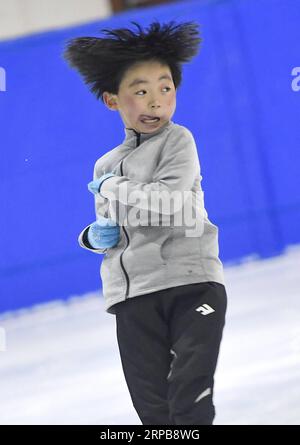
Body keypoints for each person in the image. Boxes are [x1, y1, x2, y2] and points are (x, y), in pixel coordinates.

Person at [63, 20, 227, 425]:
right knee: (155, 415)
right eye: (140, 91)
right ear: (112, 101)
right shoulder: (105, 164)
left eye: (165, 88)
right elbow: (111, 228)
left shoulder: (178, 141)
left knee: (189, 401)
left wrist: (115, 186)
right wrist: (94, 237)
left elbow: (170, 203)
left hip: (192, 285)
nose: (156, 101)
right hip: (133, 300)